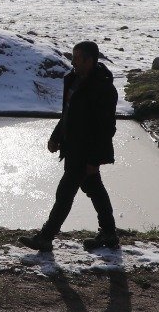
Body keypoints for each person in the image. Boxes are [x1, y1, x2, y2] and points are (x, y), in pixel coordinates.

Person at [20, 40, 120, 253]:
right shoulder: (73, 80)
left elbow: (106, 129)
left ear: (89, 60)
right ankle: (109, 233)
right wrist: (56, 137)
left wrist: (94, 160)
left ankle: (46, 237)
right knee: (95, 189)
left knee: (65, 193)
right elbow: (68, 114)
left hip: (86, 152)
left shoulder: (103, 88)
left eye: (77, 58)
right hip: (73, 148)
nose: (72, 62)